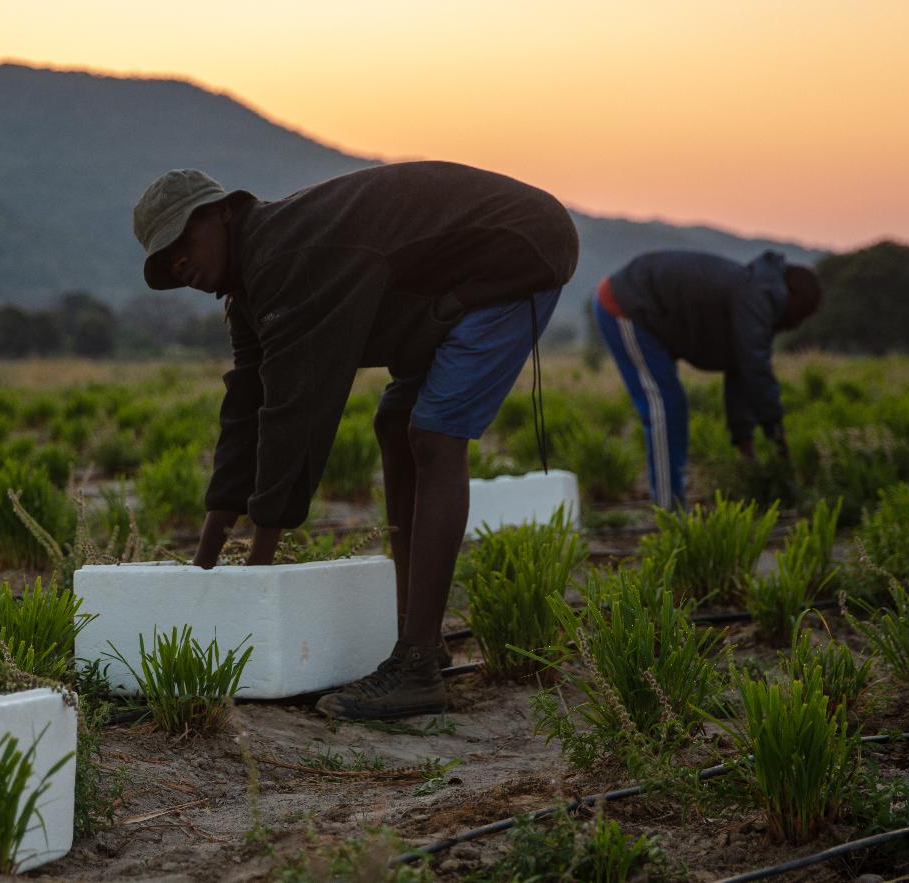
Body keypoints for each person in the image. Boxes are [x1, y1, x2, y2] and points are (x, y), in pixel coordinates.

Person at [131, 162, 578, 721]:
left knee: (434, 438)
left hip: (518, 250)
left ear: (223, 213)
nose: (182, 266)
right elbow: (245, 416)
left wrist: (254, 581)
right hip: (448, 279)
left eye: (184, 242)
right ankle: (417, 635)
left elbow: (297, 415)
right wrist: (201, 573)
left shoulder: (285, 256)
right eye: (168, 263)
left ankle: (415, 665)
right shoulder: (247, 292)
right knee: (395, 426)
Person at [590, 251, 824, 510]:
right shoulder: (756, 298)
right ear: (794, 301)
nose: (798, 325)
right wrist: (777, 440)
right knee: (665, 407)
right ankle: (669, 512)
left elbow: (741, 372)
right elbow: (756, 370)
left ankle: (671, 504)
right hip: (626, 305)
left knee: (671, 404)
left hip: (648, 313)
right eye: (802, 315)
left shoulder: (757, 295)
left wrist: (744, 444)